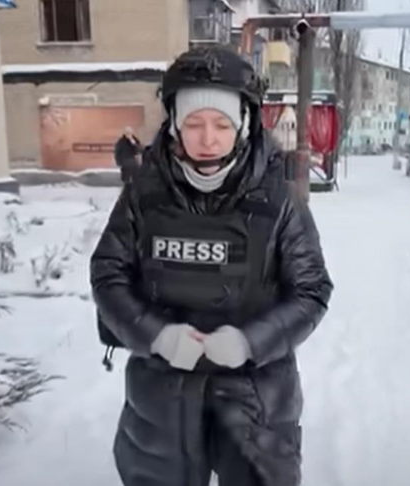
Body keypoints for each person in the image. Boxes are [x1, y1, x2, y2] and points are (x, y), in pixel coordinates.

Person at [90, 46, 333, 486]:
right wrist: (159, 337)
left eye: (221, 125)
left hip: (256, 398)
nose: (208, 139)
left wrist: (249, 342)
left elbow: (311, 290)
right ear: (174, 125)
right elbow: (108, 275)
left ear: (244, 123)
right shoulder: (143, 196)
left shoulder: (279, 200)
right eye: (194, 124)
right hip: (161, 397)